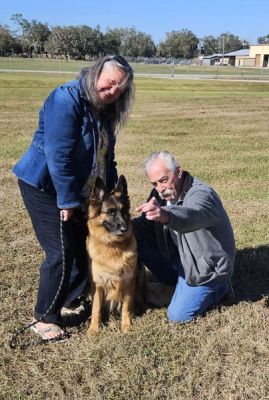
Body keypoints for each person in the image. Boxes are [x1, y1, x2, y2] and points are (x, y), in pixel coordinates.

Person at [12, 55, 134, 340]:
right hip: (44, 185)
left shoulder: (103, 110)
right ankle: (44, 317)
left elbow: (105, 156)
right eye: (111, 83)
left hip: (78, 190)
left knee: (82, 245)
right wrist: (66, 201)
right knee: (61, 251)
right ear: (95, 74)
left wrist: (113, 193)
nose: (114, 91)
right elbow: (59, 155)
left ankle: (69, 299)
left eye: (121, 88)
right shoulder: (66, 99)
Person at [133, 151, 236, 322]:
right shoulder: (158, 194)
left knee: (178, 316)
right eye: (155, 183)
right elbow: (144, 227)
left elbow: (192, 215)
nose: (160, 188)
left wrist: (165, 215)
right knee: (134, 238)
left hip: (206, 270)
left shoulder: (202, 194)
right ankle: (178, 284)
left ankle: (222, 288)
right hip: (180, 259)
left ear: (178, 172)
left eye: (164, 180)